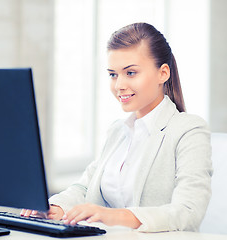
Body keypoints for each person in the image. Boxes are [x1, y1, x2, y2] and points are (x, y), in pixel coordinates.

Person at [21, 22, 212, 232]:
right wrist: (55, 207)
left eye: (130, 73)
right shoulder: (118, 131)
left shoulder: (189, 130)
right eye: (113, 74)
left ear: (163, 73)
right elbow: (84, 187)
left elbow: (188, 211)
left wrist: (111, 216)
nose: (119, 85)